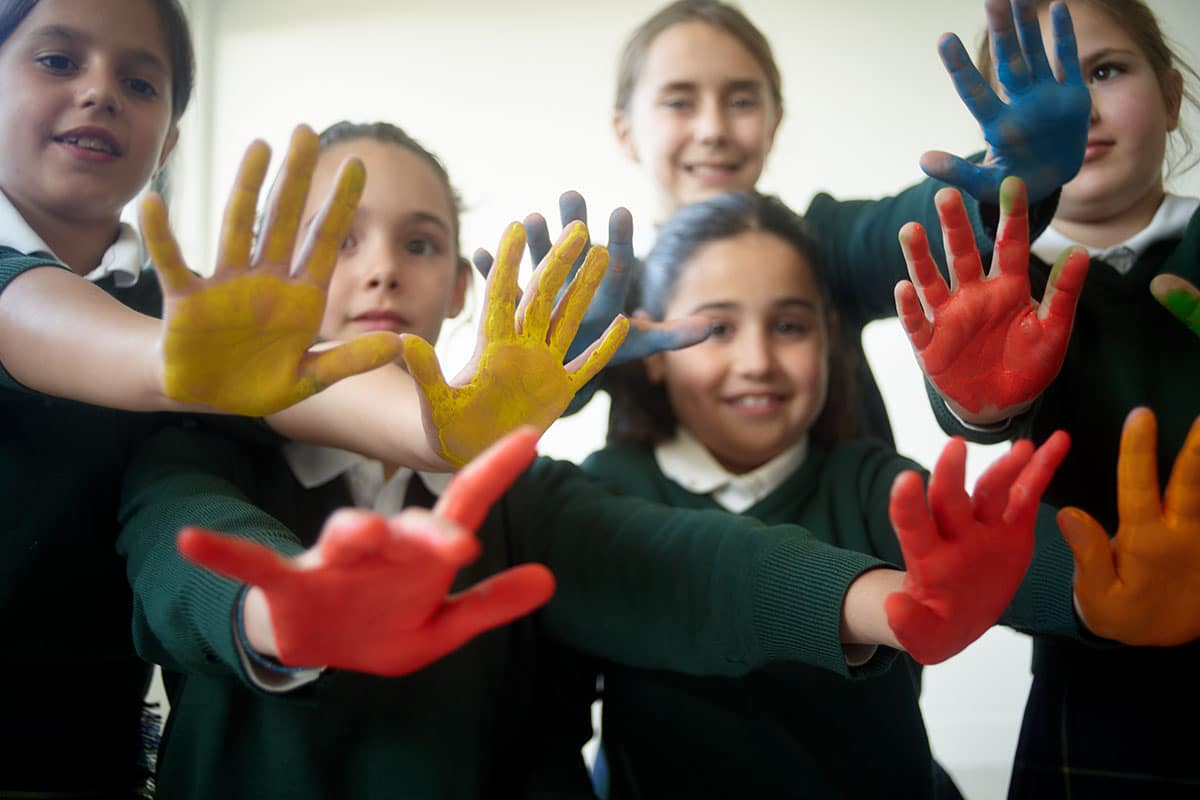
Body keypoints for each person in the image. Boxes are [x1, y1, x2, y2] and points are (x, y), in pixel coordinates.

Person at [117, 121, 1070, 799]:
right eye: (339, 238)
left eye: (420, 242)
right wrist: (276, 611)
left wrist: (889, 606)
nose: (380, 270)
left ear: (458, 286)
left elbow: (689, 565)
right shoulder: (193, 453)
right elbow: (180, 558)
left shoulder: (521, 497)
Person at [575, 189, 1105, 798]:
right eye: (717, 328)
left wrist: (1101, 584)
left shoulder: (871, 482)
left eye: (789, 326)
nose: (757, 361)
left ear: (829, 338)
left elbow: (1009, 558)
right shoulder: (605, 490)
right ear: (652, 352)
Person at [481, 0, 1090, 449]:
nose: (713, 128)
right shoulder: (614, 289)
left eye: (742, 100)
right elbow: (519, 417)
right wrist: (560, 352)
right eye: (678, 101)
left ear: (775, 122)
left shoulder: (825, 243)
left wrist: (1010, 181)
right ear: (624, 130)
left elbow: (912, 224)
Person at [896, 1, 1200, 794]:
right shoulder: (1003, 281)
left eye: (1105, 71)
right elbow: (983, 415)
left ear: (1172, 98)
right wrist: (978, 405)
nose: (1082, 110)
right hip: (1087, 683)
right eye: (1040, 87)